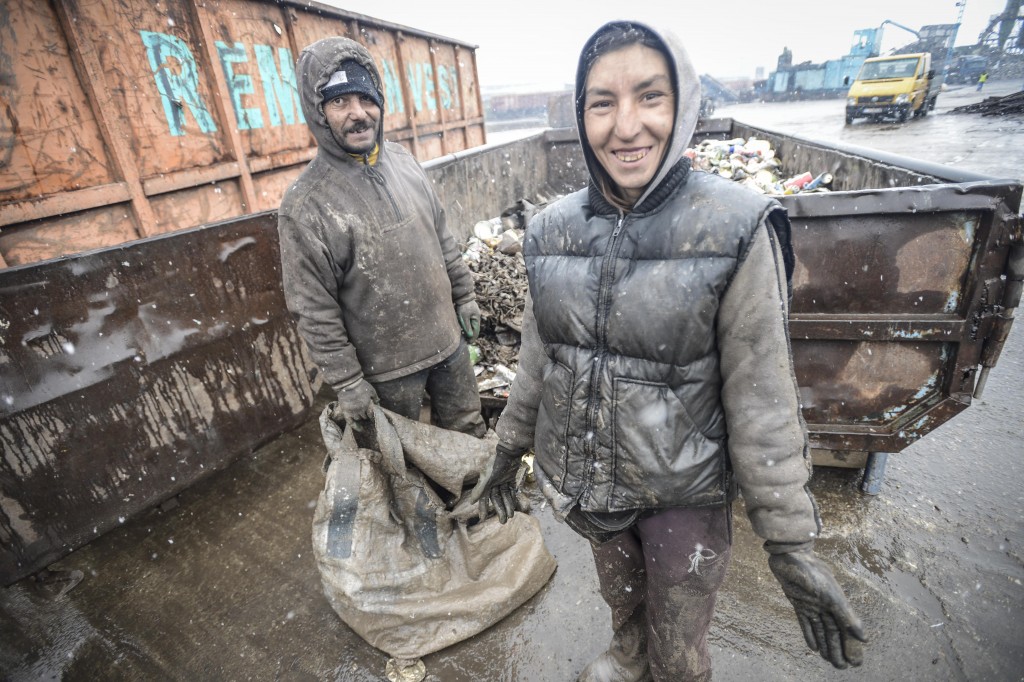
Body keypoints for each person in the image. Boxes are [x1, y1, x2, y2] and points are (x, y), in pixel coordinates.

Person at [470, 20, 866, 681]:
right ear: (581, 113)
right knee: (623, 606)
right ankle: (627, 658)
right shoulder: (551, 231)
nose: (626, 126)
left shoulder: (735, 227)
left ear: (682, 107)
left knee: (679, 650)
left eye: (650, 97)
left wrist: (791, 545)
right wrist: (506, 447)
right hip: (598, 490)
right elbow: (542, 360)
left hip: (685, 495)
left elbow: (761, 398)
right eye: (603, 102)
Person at [278, 37, 485, 438]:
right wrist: (348, 382)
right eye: (340, 103)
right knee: (402, 468)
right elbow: (313, 308)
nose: (358, 113)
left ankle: (473, 498)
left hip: (448, 345)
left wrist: (465, 295)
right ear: (318, 113)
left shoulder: (405, 161)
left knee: (469, 433)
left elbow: (441, 236)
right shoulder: (306, 205)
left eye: (365, 99)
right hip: (386, 374)